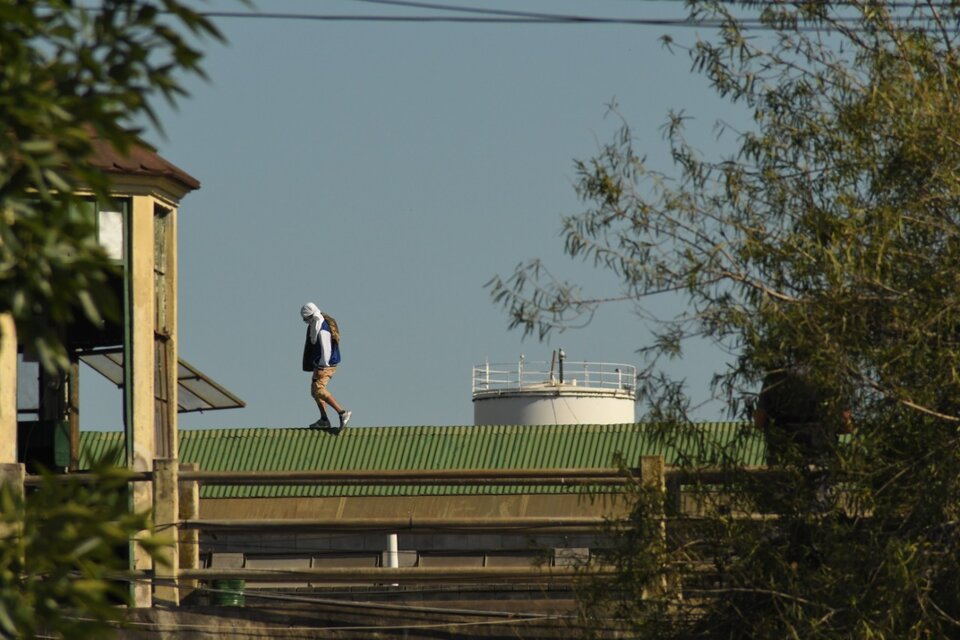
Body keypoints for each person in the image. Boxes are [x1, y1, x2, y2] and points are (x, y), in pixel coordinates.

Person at [301, 302, 351, 433]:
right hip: (320, 364)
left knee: (319, 390)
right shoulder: (316, 325)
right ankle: (324, 419)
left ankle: (342, 412)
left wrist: (321, 368)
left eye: (306, 319)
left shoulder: (322, 328)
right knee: (314, 390)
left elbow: (326, 351)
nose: (306, 322)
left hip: (325, 365)